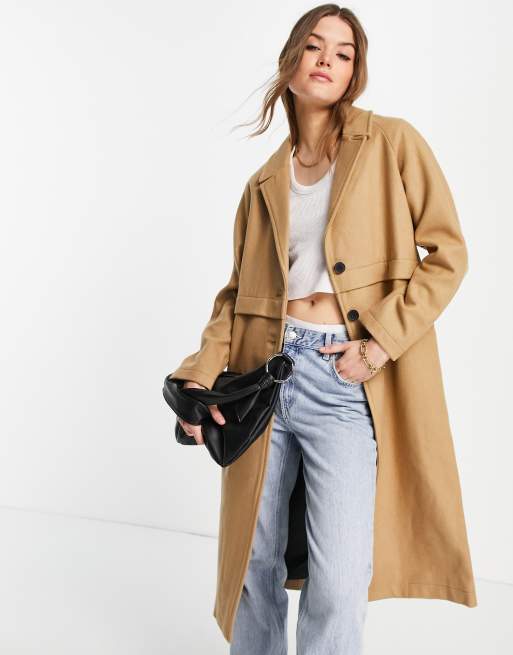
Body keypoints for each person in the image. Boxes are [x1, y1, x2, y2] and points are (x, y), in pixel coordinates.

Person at [171, 4, 477, 654]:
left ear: (354, 72)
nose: (326, 61)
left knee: (338, 578)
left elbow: (448, 255)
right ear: (290, 61)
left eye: (343, 53)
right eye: (314, 47)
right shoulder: (262, 184)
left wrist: (378, 344)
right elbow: (237, 299)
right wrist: (197, 377)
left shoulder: (390, 143)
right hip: (263, 377)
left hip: (343, 380)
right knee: (253, 563)